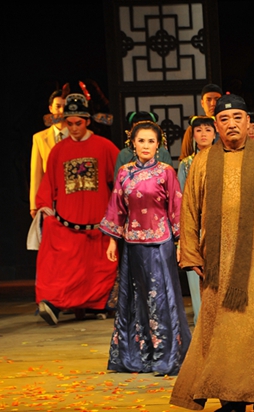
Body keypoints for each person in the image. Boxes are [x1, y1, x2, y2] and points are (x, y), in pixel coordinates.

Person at [170, 94, 254, 411]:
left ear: (249, 122)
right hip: (216, 263)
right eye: (224, 119)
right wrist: (191, 253)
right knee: (218, 331)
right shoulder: (202, 161)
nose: (232, 124)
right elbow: (189, 209)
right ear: (216, 126)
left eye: (238, 117)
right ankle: (228, 397)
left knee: (253, 330)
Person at [100, 120, 191, 375]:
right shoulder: (124, 173)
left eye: (151, 141)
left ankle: (166, 356)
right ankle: (139, 356)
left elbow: (176, 207)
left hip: (161, 243)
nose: (146, 146)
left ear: (158, 145)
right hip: (132, 244)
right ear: (133, 143)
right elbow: (117, 207)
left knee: (162, 298)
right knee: (136, 299)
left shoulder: (166, 172)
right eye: (141, 141)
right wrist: (112, 241)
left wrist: (181, 242)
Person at [35, 94, 119, 325]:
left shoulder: (104, 147)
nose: (73, 128)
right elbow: (49, 181)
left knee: (98, 268)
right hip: (68, 223)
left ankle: (97, 304)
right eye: (69, 123)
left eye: (78, 123)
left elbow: (120, 179)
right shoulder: (59, 150)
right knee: (63, 267)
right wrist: (44, 205)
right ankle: (54, 304)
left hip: (98, 224)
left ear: (88, 121)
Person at [177, 115, 217, 325]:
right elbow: (180, 200)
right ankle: (201, 322)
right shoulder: (186, 164)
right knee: (195, 274)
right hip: (195, 225)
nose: (203, 134)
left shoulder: (225, 160)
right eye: (198, 130)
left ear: (215, 133)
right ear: (192, 135)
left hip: (219, 225)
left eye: (208, 130)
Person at [30, 89, 68, 218]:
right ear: (51, 108)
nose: (62, 111)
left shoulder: (81, 135)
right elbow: (36, 173)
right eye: (58, 106)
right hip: (50, 197)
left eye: (65, 107)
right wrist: (34, 205)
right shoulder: (40, 138)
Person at [114, 111, 173, 180]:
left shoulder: (163, 153)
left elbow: (170, 180)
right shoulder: (124, 154)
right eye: (137, 129)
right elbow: (118, 181)